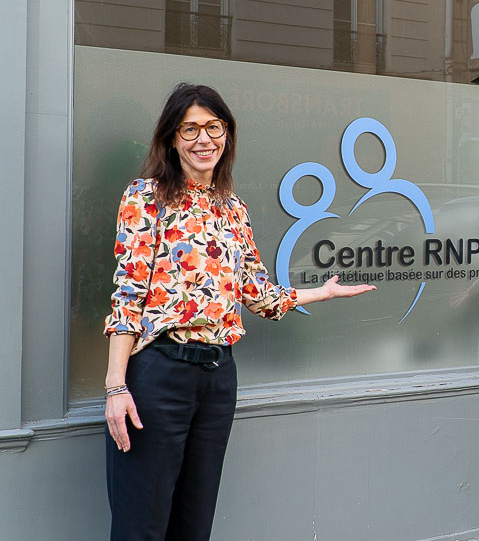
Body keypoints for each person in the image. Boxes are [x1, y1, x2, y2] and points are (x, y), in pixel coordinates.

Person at [103, 83, 375, 541]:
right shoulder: (145, 196)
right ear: (171, 137)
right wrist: (116, 386)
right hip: (158, 375)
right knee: (141, 527)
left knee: (195, 522)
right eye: (190, 128)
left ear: (226, 134)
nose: (203, 139)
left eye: (214, 127)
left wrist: (321, 294)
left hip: (217, 378)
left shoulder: (233, 209)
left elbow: (257, 293)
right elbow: (127, 295)